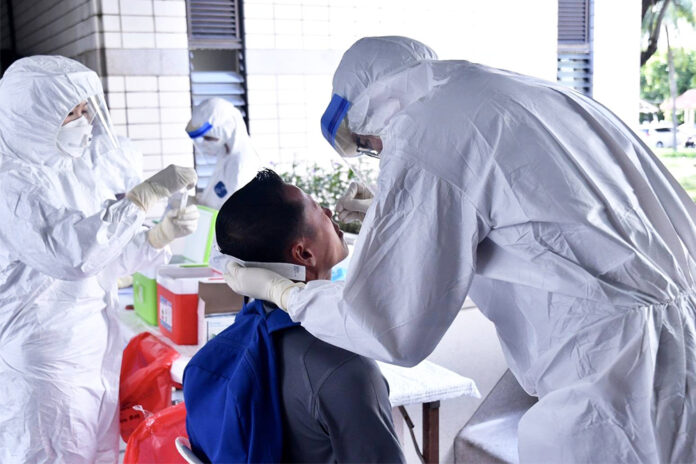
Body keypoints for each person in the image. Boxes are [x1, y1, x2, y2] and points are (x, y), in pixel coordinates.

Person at [225, 36, 696, 463]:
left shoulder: (423, 133)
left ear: (375, 115)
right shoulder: (524, 93)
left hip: (618, 379)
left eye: (370, 147)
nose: (378, 158)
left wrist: (286, 293)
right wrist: (393, 221)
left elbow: (389, 324)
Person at [0, 56, 199, 463]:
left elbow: (103, 264)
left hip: (87, 355)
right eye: (70, 113)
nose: (83, 121)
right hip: (44, 364)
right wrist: (141, 198)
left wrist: (159, 235)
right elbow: (73, 254)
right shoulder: (12, 184)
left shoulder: (67, 174)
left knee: (96, 454)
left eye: (84, 110)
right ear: (31, 115)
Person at [184, 169, 404, 463]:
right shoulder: (344, 367)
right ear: (304, 254)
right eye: (317, 209)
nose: (328, 210)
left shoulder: (244, 332)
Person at [184, 97, 261, 209]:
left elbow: (230, 213)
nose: (205, 143)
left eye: (209, 138)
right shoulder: (226, 153)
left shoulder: (241, 164)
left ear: (226, 130)